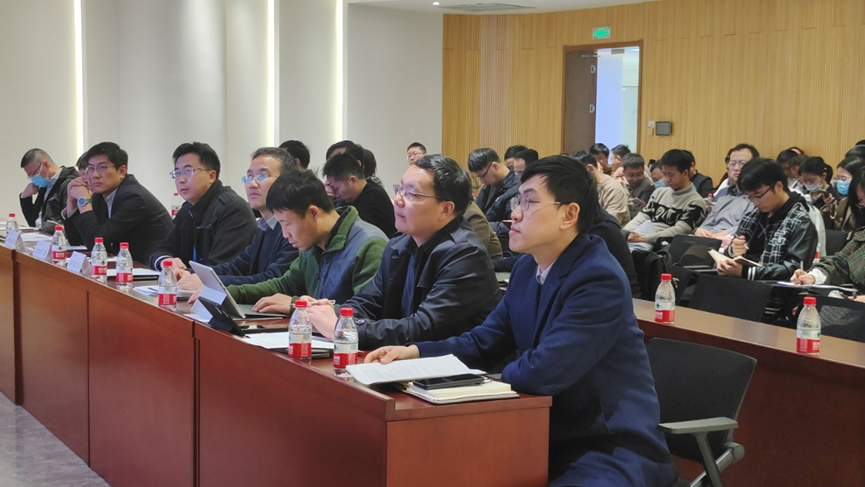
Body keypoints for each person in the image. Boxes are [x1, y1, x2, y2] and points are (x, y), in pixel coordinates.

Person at [363, 156, 675, 487]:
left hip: (605, 446)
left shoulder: (598, 279)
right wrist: (416, 353)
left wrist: (483, 380)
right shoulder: (527, 267)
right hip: (537, 432)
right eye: (517, 201)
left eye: (529, 202)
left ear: (569, 215)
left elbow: (544, 371)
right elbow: (483, 342)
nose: (515, 214)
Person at [306, 155, 501, 349]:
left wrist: (343, 329)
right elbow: (369, 302)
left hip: (454, 364)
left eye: (412, 194)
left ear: (446, 210)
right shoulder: (399, 244)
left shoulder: (465, 255)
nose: (398, 200)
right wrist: (331, 314)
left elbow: (423, 328)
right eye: (400, 189)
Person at [218, 170, 389, 311]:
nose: (285, 234)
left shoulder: (369, 245)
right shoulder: (313, 243)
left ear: (313, 213)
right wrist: (228, 292)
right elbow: (285, 285)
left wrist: (297, 305)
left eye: (287, 224)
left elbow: (365, 311)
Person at [176, 147, 299, 291]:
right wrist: (191, 274)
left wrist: (211, 283)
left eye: (262, 176)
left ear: (287, 181)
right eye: (249, 177)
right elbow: (238, 266)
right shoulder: (265, 226)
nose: (252, 184)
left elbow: (273, 280)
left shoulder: (294, 228)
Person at [149, 142, 257, 270]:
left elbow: (220, 268)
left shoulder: (233, 210)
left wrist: (183, 273)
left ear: (211, 176)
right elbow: (162, 249)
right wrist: (166, 261)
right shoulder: (188, 210)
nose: (181, 180)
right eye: (177, 173)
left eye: (188, 171)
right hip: (191, 281)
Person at [62, 142, 173, 263]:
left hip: (156, 265)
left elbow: (96, 244)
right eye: (91, 168)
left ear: (122, 171)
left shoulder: (133, 197)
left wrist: (84, 200)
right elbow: (76, 240)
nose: (94, 175)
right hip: (128, 263)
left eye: (102, 168)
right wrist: (71, 200)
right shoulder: (100, 196)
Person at [717, 158, 817, 281]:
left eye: (758, 196)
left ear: (779, 186)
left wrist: (747, 272)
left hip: (775, 289)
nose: (755, 202)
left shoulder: (801, 221)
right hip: (743, 283)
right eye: (750, 197)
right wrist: (733, 250)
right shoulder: (752, 216)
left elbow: (795, 269)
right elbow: (733, 252)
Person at [791, 170, 865, 300]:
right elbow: (841, 262)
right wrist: (813, 277)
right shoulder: (862, 234)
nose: (863, 204)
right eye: (860, 200)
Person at [622, 149, 707, 248]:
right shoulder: (659, 193)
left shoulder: (696, 202)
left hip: (663, 245)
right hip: (641, 237)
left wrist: (644, 239)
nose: (666, 180)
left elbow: (680, 231)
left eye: (671, 175)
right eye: (664, 174)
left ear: (685, 173)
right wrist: (624, 233)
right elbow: (643, 217)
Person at [323, 152, 396, 237]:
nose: (335, 194)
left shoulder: (374, 197)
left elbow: (348, 233)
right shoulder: (346, 198)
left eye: (337, 189)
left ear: (353, 180)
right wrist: (326, 201)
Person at [694, 143, 758, 238]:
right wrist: (699, 231)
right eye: (732, 164)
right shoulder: (723, 196)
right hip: (708, 239)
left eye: (742, 164)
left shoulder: (757, 197)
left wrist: (716, 236)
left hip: (732, 241)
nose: (736, 168)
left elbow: (746, 227)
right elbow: (706, 224)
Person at [19, 148, 80, 236]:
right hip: (41, 236)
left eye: (33, 173)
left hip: (57, 239)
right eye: (29, 176)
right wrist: (25, 197)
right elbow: (33, 222)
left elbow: (69, 221)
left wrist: (43, 230)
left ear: (45, 165)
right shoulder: (45, 184)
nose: (32, 178)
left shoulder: (70, 183)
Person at [469, 148, 520, 251]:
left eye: (482, 176)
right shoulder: (488, 186)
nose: (482, 181)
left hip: (505, 248)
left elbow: (510, 225)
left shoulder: (517, 188)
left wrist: (480, 226)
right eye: (479, 177)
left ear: (495, 166)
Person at [573, 151, 630, 226]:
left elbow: (610, 225)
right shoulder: (585, 185)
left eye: (576, 175)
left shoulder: (613, 189)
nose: (574, 179)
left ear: (590, 169)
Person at [798, 156, 840, 228]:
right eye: (804, 180)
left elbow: (834, 225)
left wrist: (828, 209)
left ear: (823, 176)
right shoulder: (803, 193)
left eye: (812, 180)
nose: (808, 184)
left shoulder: (832, 197)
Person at [829, 156, 864, 232]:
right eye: (838, 178)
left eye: (843, 179)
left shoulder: (861, 205)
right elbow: (834, 229)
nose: (839, 182)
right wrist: (828, 210)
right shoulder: (844, 202)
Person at [622, 152, 655, 217]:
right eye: (631, 175)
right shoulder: (619, 180)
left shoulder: (648, 186)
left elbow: (641, 214)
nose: (635, 179)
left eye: (639, 174)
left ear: (643, 170)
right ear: (624, 172)